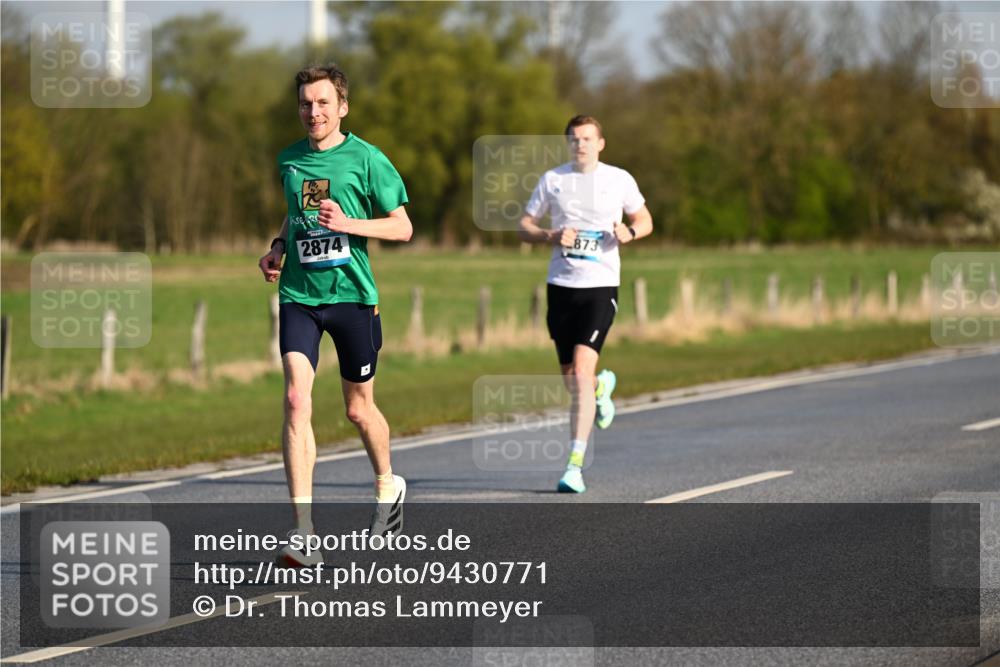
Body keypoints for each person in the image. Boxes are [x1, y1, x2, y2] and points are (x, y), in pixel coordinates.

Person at [258, 64, 413, 566]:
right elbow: (296, 213)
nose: (314, 112)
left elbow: (402, 228)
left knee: (358, 410)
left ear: (342, 107)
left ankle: (387, 485)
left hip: (352, 297)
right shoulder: (290, 159)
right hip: (300, 296)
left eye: (323, 102)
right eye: (306, 103)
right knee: (295, 399)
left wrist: (349, 223)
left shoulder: (367, 158)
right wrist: (279, 246)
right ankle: (304, 533)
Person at [518, 115, 653, 493]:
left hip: (600, 286)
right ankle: (600, 388)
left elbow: (645, 220)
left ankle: (573, 466)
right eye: (575, 139)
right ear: (568, 144)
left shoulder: (619, 179)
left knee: (579, 372)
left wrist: (630, 232)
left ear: (601, 143)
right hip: (561, 286)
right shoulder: (553, 180)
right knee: (573, 379)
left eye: (588, 139)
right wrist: (550, 234)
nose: (581, 145)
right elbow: (523, 226)